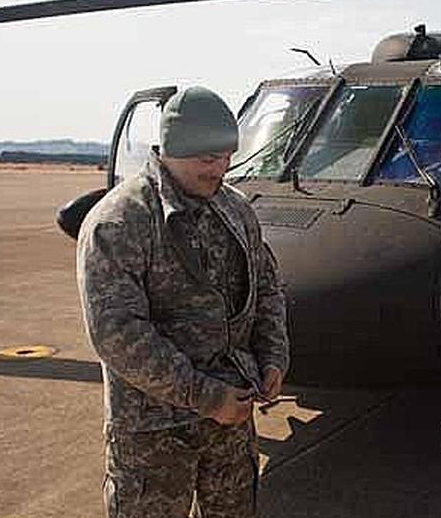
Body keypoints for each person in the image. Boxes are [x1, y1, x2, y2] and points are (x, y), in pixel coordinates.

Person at [77, 86, 289, 517]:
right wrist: (207, 396)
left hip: (230, 421)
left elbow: (267, 287)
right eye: (207, 160)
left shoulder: (236, 210)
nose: (221, 169)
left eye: (227, 156)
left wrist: (273, 357)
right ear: (170, 151)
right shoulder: (120, 222)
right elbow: (117, 334)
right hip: (154, 432)